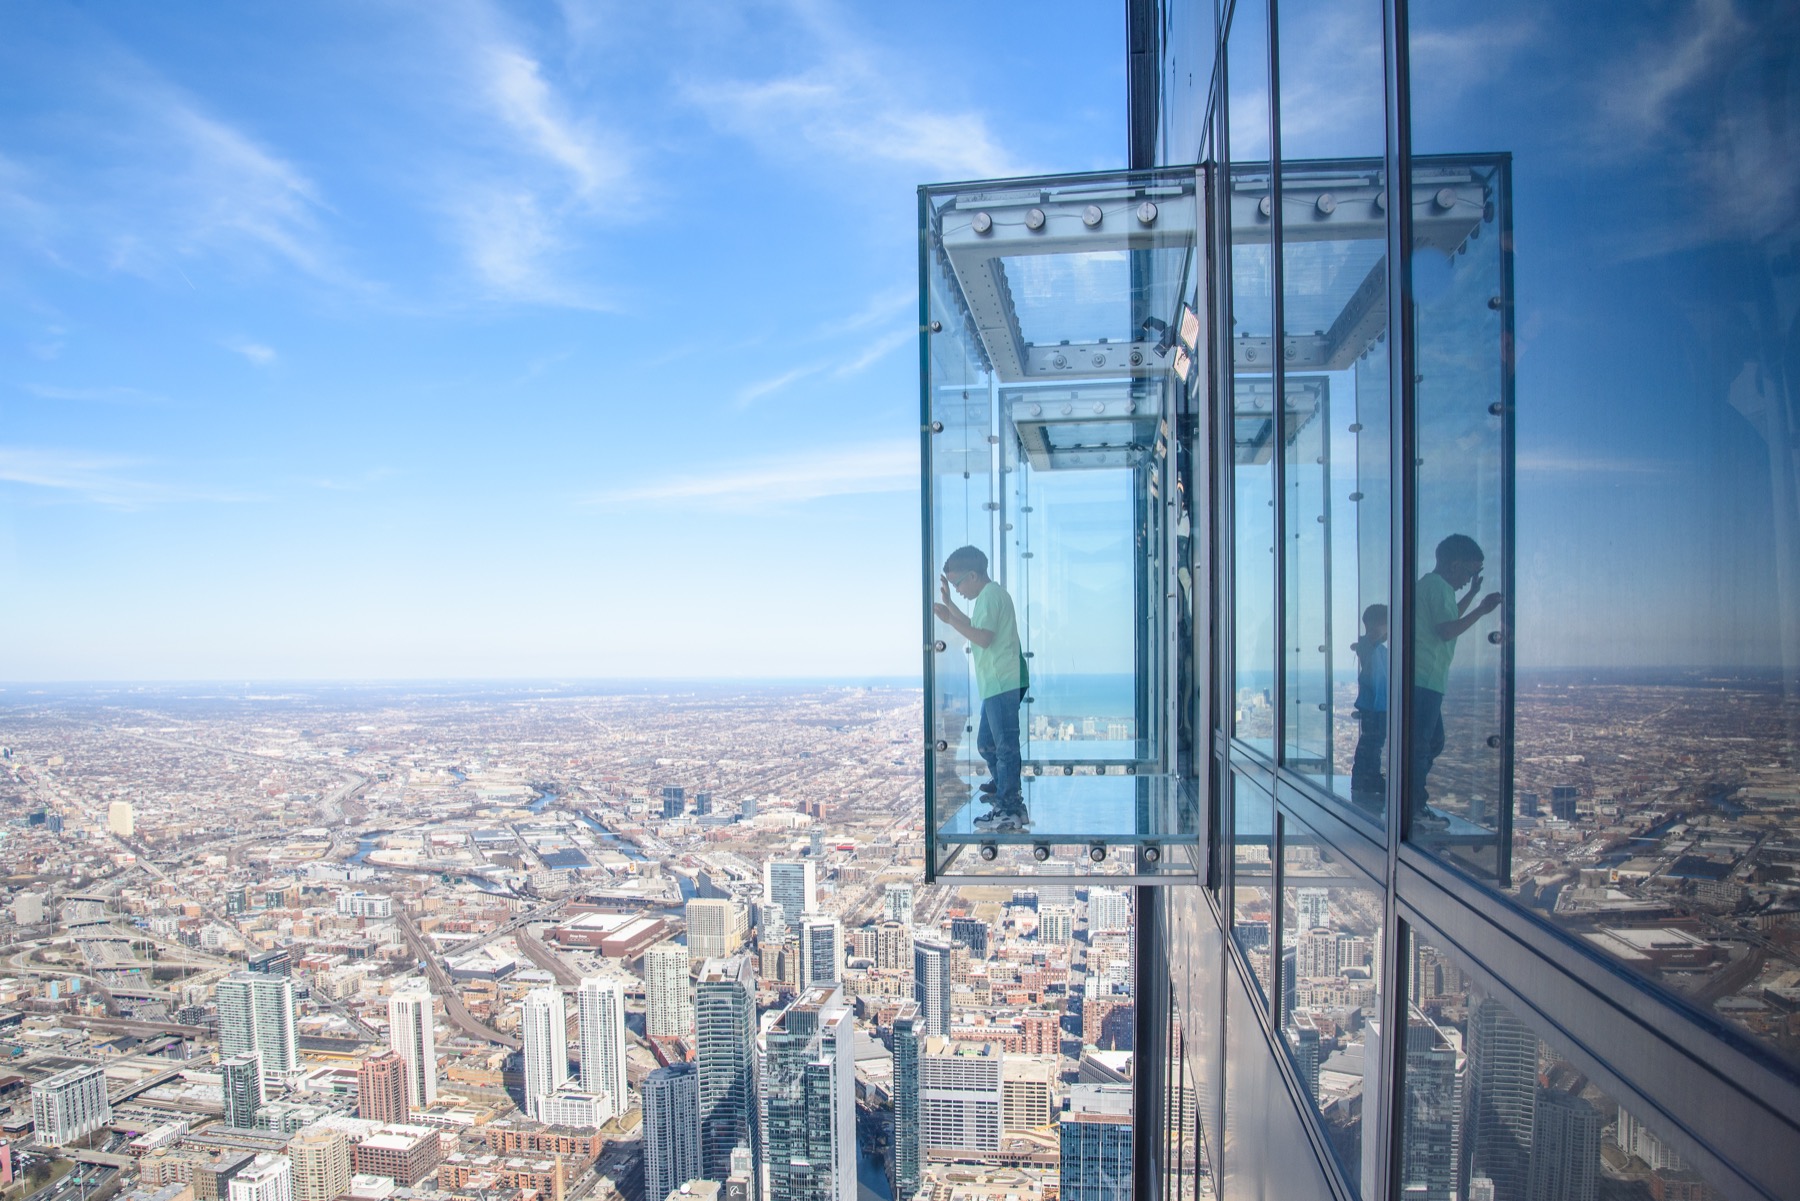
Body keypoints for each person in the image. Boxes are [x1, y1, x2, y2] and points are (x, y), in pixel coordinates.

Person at [933, 546, 1028, 831]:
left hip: (1002, 681)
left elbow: (983, 638)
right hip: (999, 682)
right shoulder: (991, 595)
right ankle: (1004, 787)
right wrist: (950, 606)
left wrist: (950, 619)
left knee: (1004, 746)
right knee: (987, 743)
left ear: (972, 575)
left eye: (958, 583)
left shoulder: (989, 597)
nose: (958, 589)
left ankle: (1009, 807)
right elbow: (976, 626)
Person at [1412, 534, 1502, 830]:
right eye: (1469, 572)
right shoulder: (1438, 588)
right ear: (1455, 564)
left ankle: (1412, 801)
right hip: (1426, 680)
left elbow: (1447, 618)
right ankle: (1413, 807)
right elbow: (1447, 630)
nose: (1469, 579)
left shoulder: (1430, 586)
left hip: (1424, 679)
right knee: (1424, 745)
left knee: (1430, 742)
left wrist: (1473, 595)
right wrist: (1481, 610)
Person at [1349, 603, 1388, 806]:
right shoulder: (1370, 645)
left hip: (1377, 704)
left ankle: (1366, 776)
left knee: (1373, 742)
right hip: (1375, 705)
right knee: (1372, 743)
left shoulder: (1378, 648)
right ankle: (1367, 777)